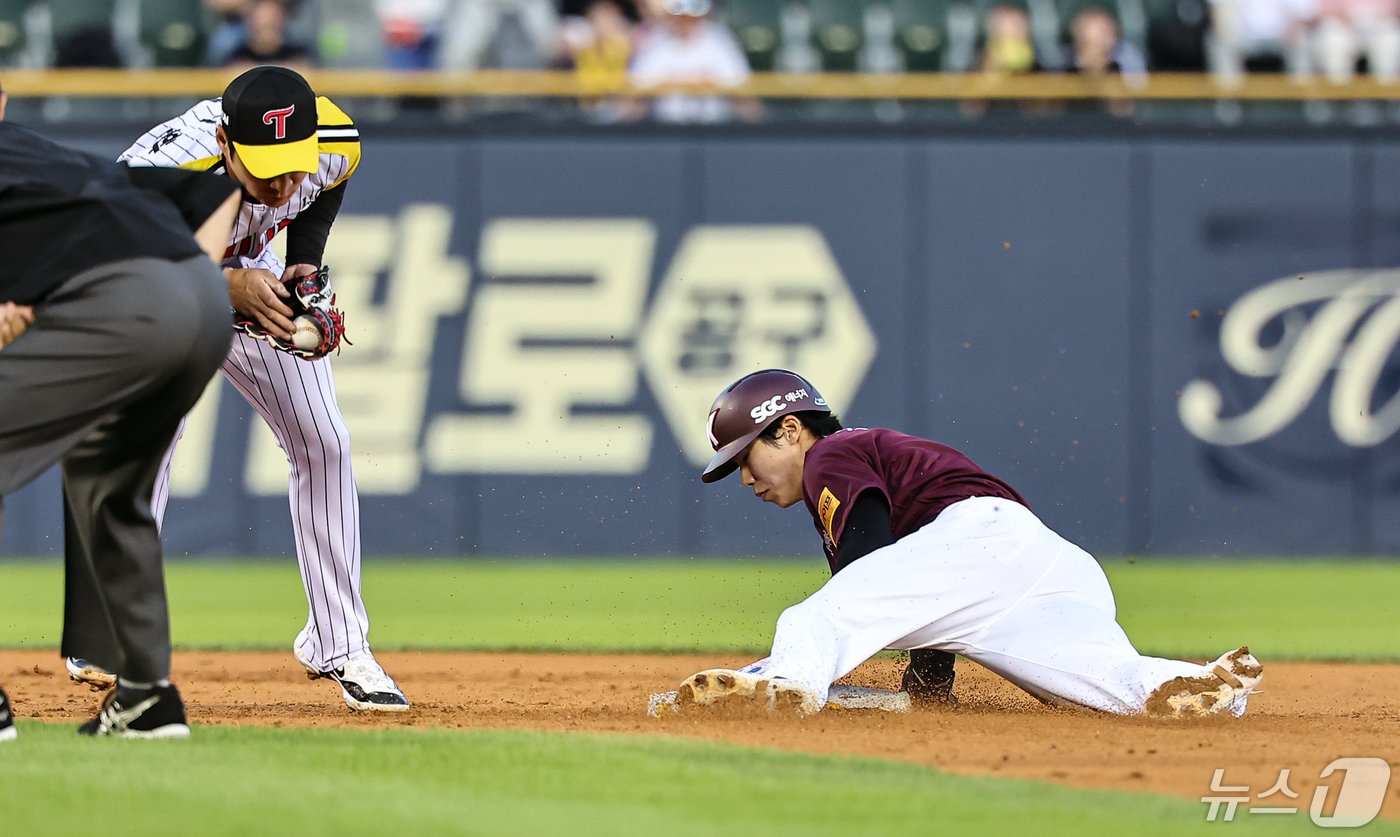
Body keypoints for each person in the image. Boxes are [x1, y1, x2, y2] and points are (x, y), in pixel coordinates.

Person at [62, 65, 410, 713]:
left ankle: (339, 643)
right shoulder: (154, 176)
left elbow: (328, 183)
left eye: (291, 165)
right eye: (264, 169)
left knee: (324, 441)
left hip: (243, 267)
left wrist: (303, 265)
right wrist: (226, 289)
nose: (281, 183)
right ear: (224, 144)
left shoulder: (332, 140)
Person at [674, 369, 1264, 718]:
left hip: (978, 539)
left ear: (791, 429)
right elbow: (923, 594)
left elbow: (868, 574)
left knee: (811, 621)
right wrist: (928, 690)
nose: (746, 479)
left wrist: (824, 643)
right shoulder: (854, 456)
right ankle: (1197, 686)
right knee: (1100, 683)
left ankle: (788, 688)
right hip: (1042, 568)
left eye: (745, 459)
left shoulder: (830, 453)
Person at [0, 79, 242, 738]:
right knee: (109, 483)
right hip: (202, 296)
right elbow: (214, 191)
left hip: (122, 304)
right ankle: (146, 694)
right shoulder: (53, 159)